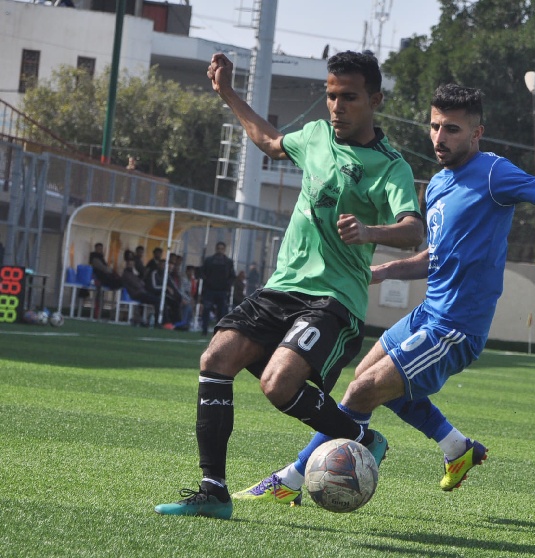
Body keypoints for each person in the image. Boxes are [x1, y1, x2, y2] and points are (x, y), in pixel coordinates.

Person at [234, 83, 535, 507]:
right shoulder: (438, 186)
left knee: (362, 394)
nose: (439, 137)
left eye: (451, 129)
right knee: (364, 380)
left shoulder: (492, 172)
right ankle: (456, 448)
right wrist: (381, 272)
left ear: (476, 133)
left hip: (455, 327)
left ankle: (290, 480)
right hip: (428, 314)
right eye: (434, 127)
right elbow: (437, 258)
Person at [154, 50, 424, 519]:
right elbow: (272, 142)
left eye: (349, 98)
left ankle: (363, 438)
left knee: (278, 385)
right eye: (330, 96)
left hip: (334, 299)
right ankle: (213, 491)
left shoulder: (390, 165)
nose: (336, 107)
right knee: (215, 358)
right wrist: (228, 93)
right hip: (282, 287)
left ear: (375, 100)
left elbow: (412, 229)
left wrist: (370, 232)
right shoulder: (316, 135)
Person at [200, 241, 235, 336]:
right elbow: (202, 272)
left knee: (222, 312)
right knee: (206, 311)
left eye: (222, 249)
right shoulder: (209, 260)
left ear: (224, 250)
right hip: (210, 290)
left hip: (222, 291)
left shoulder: (228, 262)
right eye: (218, 248)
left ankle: (218, 332)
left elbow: (232, 276)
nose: (220, 251)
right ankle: (204, 330)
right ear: (216, 249)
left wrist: (227, 285)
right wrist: (207, 282)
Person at [120, 251, 160, 322]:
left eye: (132, 262)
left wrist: (140, 282)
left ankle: (144, 318)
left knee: (156, 298)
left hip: (141, 293)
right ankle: (156, 320)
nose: (130, 264)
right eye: (129, 262)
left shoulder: (133, 273)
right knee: (157, 300)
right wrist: (140, 283)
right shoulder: (126, 274)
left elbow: (141, 283)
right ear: (126, 264)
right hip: (136, 294)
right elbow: (138, 284)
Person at [145, 257, 182, 325]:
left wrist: (178, 295)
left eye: (164, 265)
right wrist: (165, 288)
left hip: (163, 295)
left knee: (176, 301)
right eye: (161, 265)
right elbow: (153, 287)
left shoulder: (166, 275)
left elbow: (173, 286)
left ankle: (176, 322)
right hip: (153, 294)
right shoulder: (154, 273)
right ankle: (165, 322)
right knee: (162, 302)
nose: (163, 266)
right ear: (158, 265)